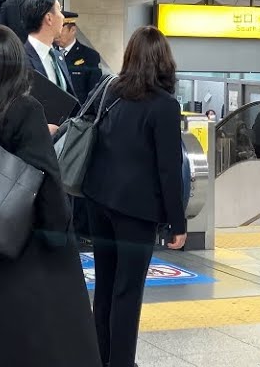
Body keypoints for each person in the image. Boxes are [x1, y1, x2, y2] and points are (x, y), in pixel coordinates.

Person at [0, 25, 100, 367]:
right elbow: (49, 191)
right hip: (25, 249)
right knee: (41, 343)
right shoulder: (25, 110)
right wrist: (61, 238)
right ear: (18, 65)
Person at [82, 25, 188, 367]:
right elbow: (169, 170)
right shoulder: (165, 106)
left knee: (106, 285)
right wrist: (177, 222)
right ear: (164, 62)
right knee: (128, 291)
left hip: (99, 202)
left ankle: (102, 357)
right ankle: (122, 362)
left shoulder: (110, 91)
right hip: (136, 212)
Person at [20, 0, 75, 98]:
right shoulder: (21, 59)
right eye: (59, 10)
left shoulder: (57, 56)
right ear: (49, 18)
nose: (63, 17)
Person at [56, 10, 103, 103]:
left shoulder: (89, 56)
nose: (57, 32)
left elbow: (95, 93)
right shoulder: (50, 53)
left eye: (60, 29)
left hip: (78, 114)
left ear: (72, 30)